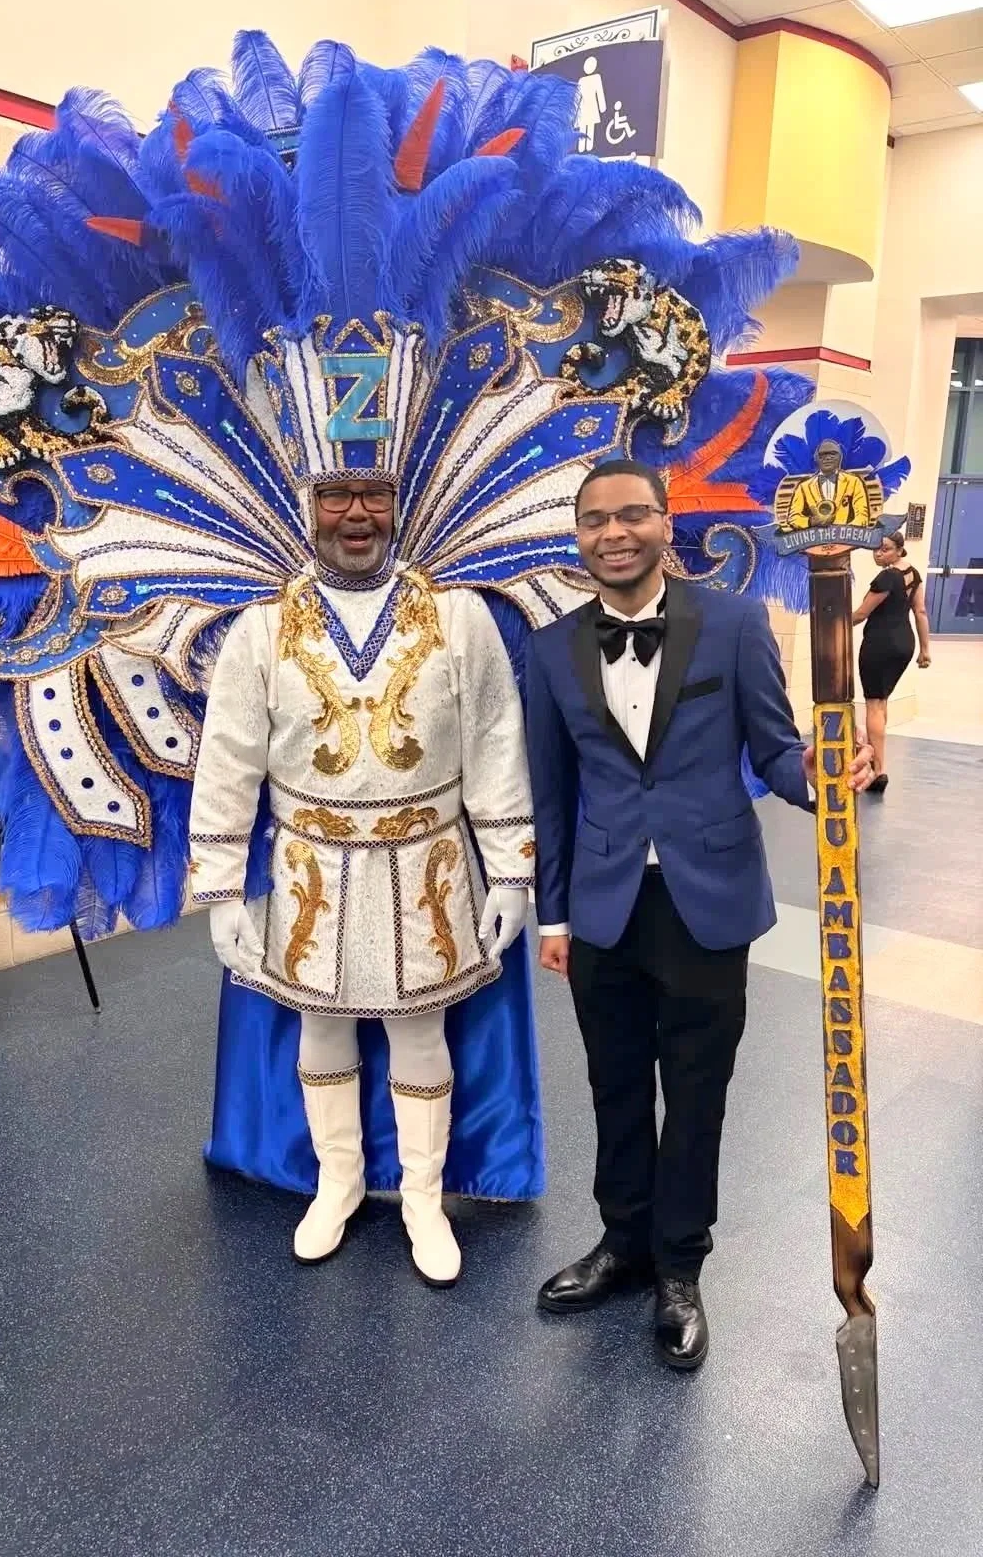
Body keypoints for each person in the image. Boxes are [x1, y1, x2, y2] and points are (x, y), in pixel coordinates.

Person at [524, 459, 874, 1370]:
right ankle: (624, 1244)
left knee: (697, 1094)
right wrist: (551, 916)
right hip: (603, 905)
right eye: (595, 520)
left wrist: (825, 777)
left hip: (706, 901)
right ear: (580, 536)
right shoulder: (552, 649)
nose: (614, 533)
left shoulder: (732, 623)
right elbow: (552, 797)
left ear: (665, 522)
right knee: (613, 1087)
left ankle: (680, 1268)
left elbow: (777, 748)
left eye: (632, 514)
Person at [188, 478, 534, 1287]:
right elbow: (228, 761)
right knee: (322, 1028)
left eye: (374, 498)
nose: (356, 517)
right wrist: (221, 889)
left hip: (430, 870)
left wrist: (511, 872)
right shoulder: (261, 631)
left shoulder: (460, 619)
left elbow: (493, 744)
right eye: (336, 499)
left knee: (421, 1033)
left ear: (398, 506)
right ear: (307, 509)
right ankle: (337, 1182)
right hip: (311, 873)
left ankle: (423, 1199)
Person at [853, 531, 931, 793]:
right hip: (904, 645)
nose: (878, 554)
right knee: (882, 701)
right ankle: (877, 763)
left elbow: (863, 613)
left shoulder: (887, 576)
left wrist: (832, 623)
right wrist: (925, 649)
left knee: (873, 705)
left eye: (885, 549)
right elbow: (919, 611)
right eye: (875, 549)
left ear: (899, 550)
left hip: (881, 644)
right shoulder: (913, 574)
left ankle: (878, 771)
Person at [785, 439, 871, 531]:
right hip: (814, 541)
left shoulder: (854, 482)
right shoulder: (804, 487)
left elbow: (862, 515)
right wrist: (812, 521)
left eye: (833, 454)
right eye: (823, 455)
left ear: (840, 458)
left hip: (845, 541)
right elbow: (793, 518)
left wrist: (845, 532)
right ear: (816, 458)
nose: (827, 458)